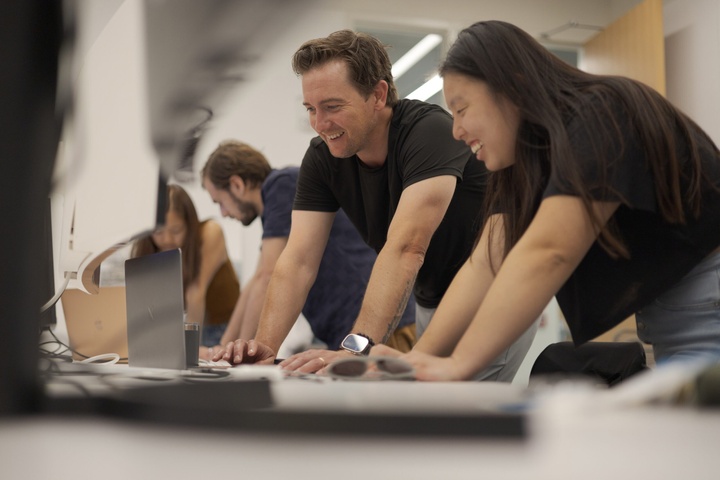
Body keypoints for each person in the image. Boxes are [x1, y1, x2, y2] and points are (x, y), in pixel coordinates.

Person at [373, 20, 720, 381]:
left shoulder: (602, 112)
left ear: (514, 88)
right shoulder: (528, 161)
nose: (457, 131)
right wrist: (419, 358)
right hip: (677, 311)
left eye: (461, 109)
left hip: (707, 302)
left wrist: (460, 363)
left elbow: (549, 250)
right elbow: (486, 262)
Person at [215, 29, 538, 381]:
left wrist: (352, 351)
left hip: (491, 292)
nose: (320, 124)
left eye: (333, 107)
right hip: (432, 300)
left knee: (459, 423)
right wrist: (265, 348)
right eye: (311, 109)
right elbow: (297, 261)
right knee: (426, 419)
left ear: (378, 94)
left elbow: (406, 248)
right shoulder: (323, 159)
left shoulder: (428, 132)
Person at [201, 140, 415, 356]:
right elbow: (256, 281)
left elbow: (265, 277)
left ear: (237, 184)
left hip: (377, 328)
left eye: (220, 202)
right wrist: (224, 346)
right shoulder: (276, 202)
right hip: (352, 330)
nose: (224, 213)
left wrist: (240, 351)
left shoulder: (280, 185)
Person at [131, 184, 240, 349]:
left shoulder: (210, 232)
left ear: (190, 225)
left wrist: (190, 349)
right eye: (158, 232)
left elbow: (195, 292)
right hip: (182, 327)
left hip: (225, 329)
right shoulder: (148, 249)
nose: (167, 239)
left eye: (176, 230)